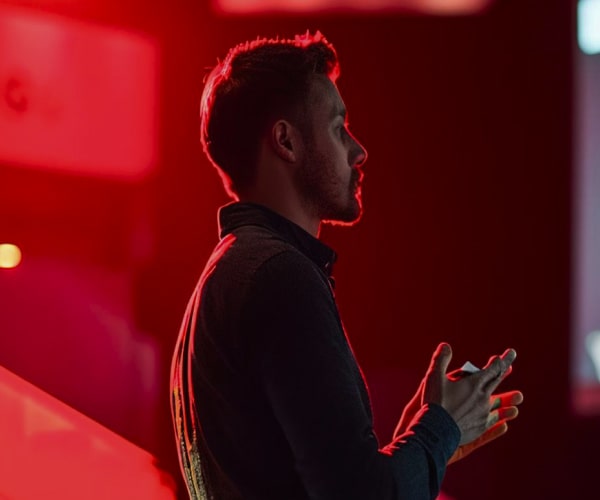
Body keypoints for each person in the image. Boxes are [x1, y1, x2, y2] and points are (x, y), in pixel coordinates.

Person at [170, 31, 523, 500]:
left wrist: (424, 440)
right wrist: (440, 429)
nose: (359, 151)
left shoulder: (231, 273)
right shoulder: (280, 277)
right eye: (339, 128)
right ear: (285, 141)